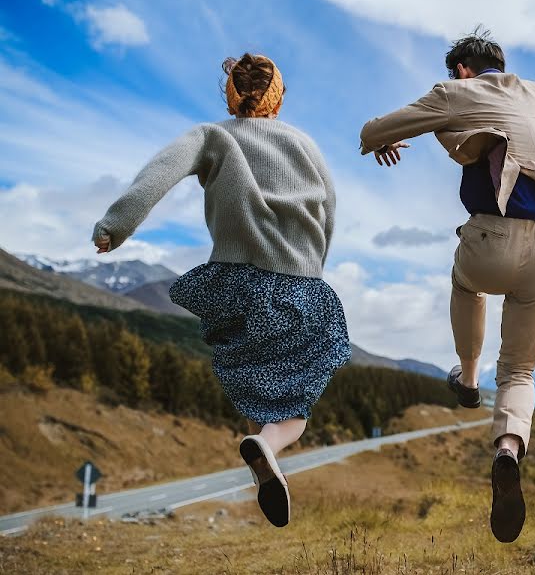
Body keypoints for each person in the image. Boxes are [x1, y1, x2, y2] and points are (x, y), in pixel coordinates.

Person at [359, 30, 535, 543]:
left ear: (463, 70)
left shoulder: (453, 94)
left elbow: (373, 129)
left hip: (492, 236)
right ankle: (508, 448)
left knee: (466, 284)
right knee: (519, 369)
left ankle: (467, 380)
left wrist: (397, 137)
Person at [92, 53, 351, 528]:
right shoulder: (306, 144)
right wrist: (312, 266)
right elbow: (328, 210)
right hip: (300, 283)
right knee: (295, 407)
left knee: (254, 385)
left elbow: (160, 171)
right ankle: (269, 446)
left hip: (234, 283)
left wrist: (116, 225)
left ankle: (261, 454)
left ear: (231, 95)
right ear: (277, 98)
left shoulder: (213, 135)